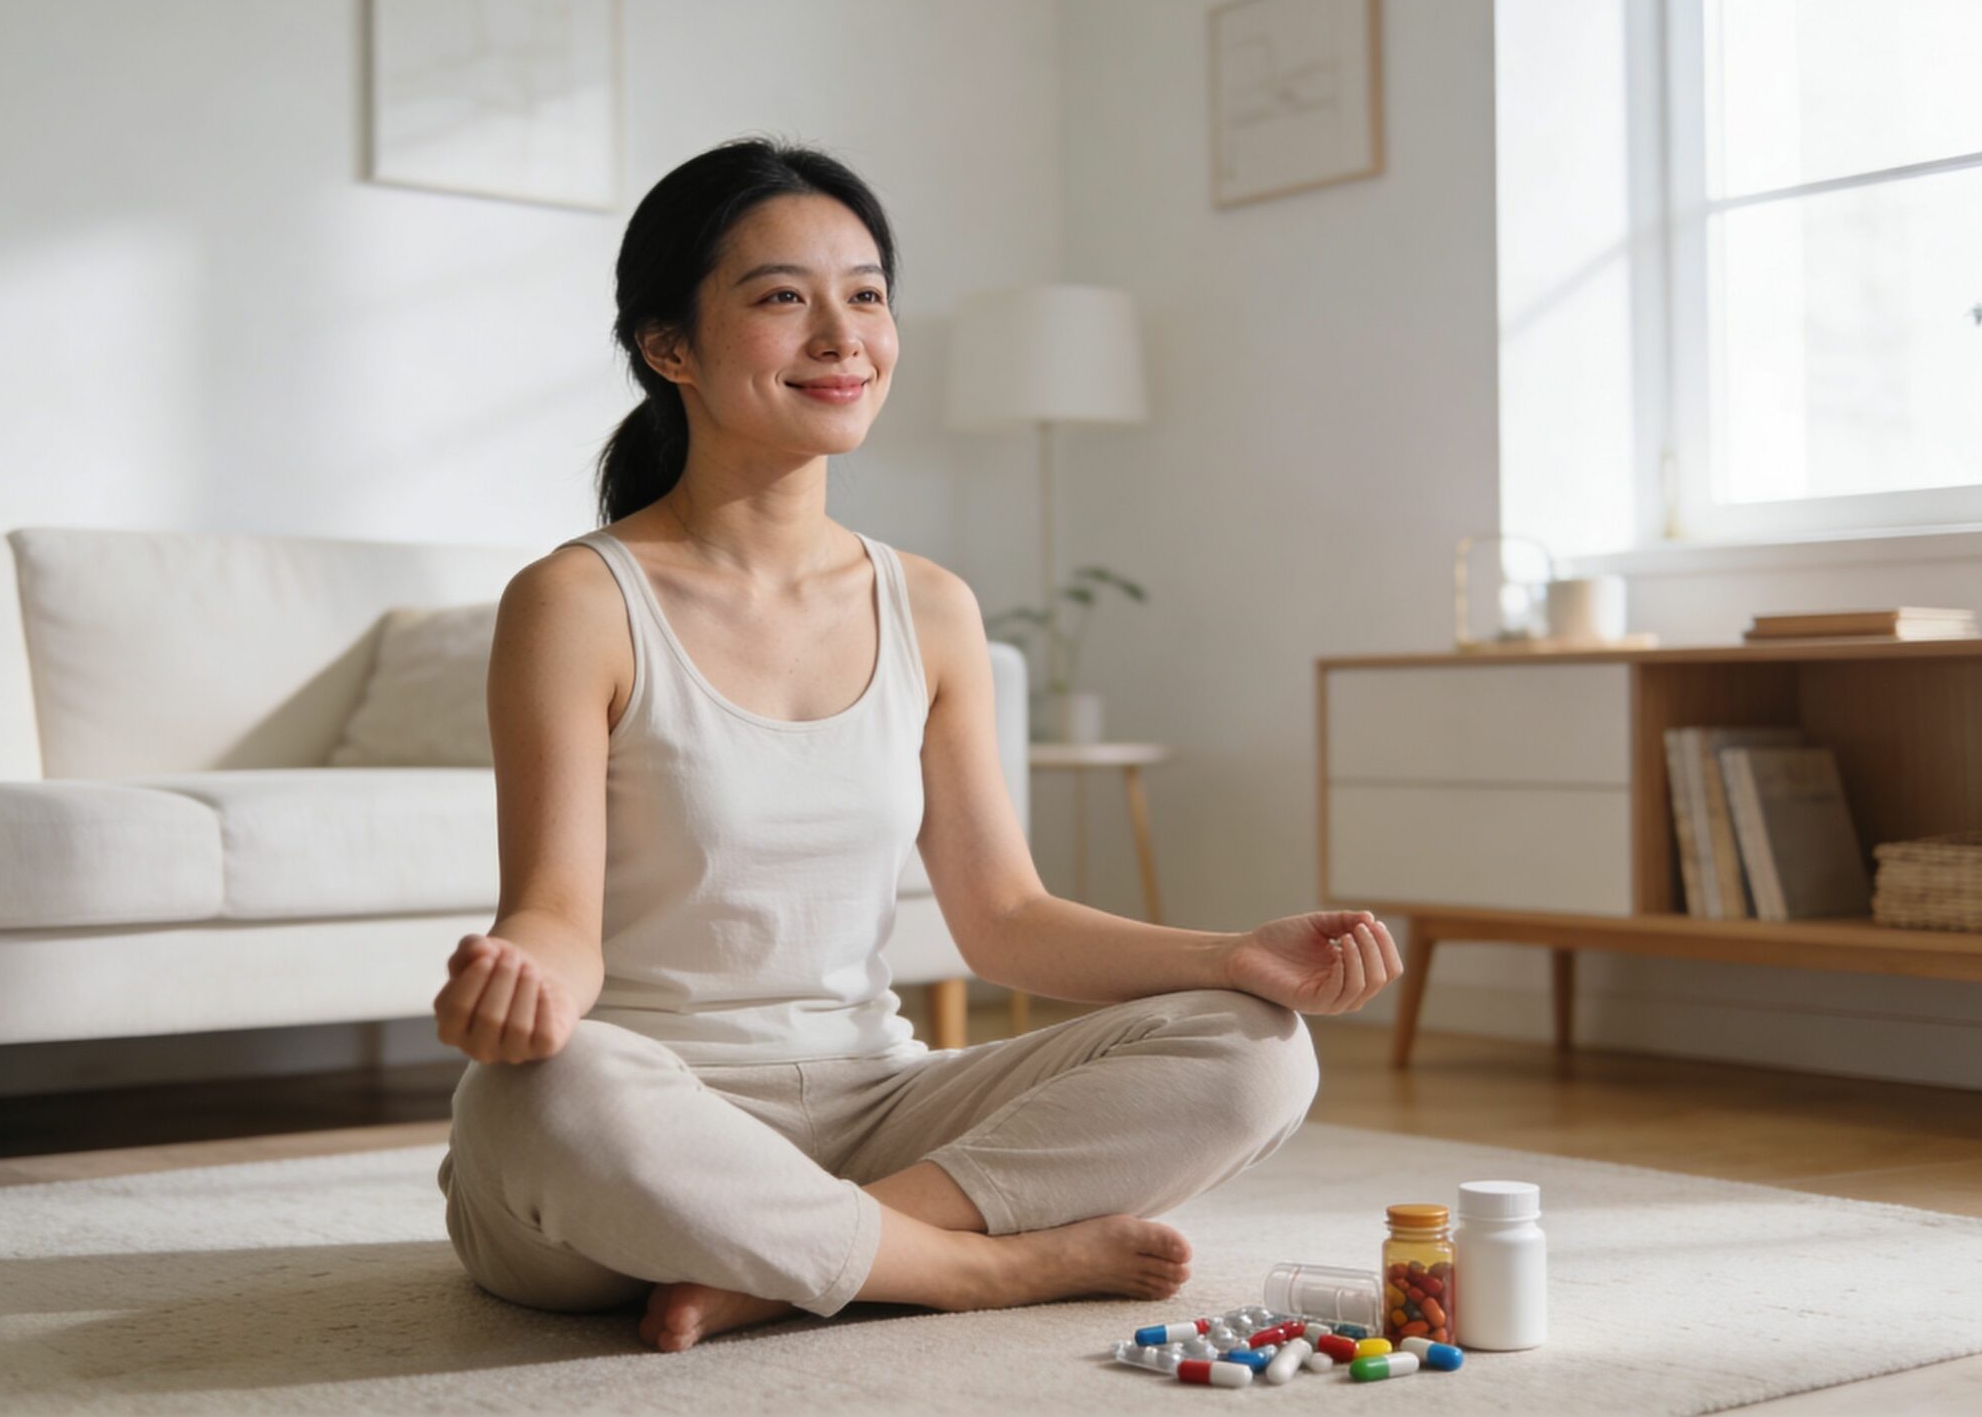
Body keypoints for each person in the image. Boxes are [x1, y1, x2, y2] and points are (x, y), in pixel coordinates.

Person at [432, 136, 1403, 1354]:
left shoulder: (929, 606)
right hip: (643, 1120)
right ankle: (972, 1269)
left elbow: (1004, 918)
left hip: (871, 1106)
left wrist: (1234, 956)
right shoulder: (579, 600)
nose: (843, 336)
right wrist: (519, 988)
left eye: (868, 294)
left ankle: (794, 1262)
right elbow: (556, 917)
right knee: (544, 1097)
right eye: (783, 297)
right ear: (667, 345)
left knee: (1254, 1049)